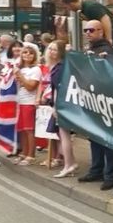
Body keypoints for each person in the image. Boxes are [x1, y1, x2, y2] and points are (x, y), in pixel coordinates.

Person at [77, 20, 113, 191]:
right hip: (92, 99)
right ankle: (96, 169)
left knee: (107, 140)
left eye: (91, 30)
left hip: (105, 101)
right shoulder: (90, 49)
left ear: (101, 31)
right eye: (86, 30)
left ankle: (110, 175)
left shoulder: (106, 49)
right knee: (94, 137)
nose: (88, 33)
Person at [45, 40, 78, 178]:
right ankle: (71, 163)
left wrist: (56, 107)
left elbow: (59, 88)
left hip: (62, 105)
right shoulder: (59, 66)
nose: (52, 52)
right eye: (50, 49)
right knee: (61, 135)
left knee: (64, 135)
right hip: (62, 104)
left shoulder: (61, 67)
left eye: (55, 49)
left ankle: (68, 165)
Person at [13, 45, 42, 166]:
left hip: (29, 102)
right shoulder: (19, 68)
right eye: (25, 52)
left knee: (29, 130)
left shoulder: (35, 69)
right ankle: (24, 153)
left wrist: (21, 76)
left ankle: (31, 155)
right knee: (22, 130)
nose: (27, 55)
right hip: (19, 102)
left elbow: (31, 86)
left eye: (31, 53)